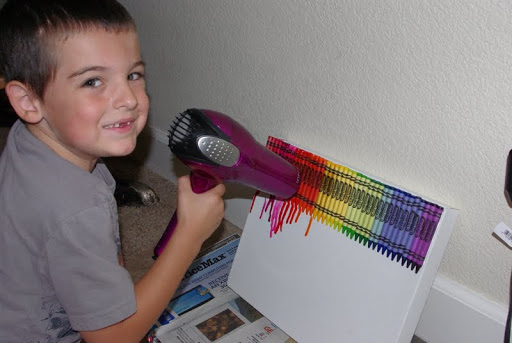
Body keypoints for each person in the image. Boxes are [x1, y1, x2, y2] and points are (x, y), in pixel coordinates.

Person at [0, 0, 225, 342]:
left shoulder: (29, 141)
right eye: (93, 82)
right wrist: (190, 236)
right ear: (29, 102)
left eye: (133, 75)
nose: (129, 99)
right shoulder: (77, 209)